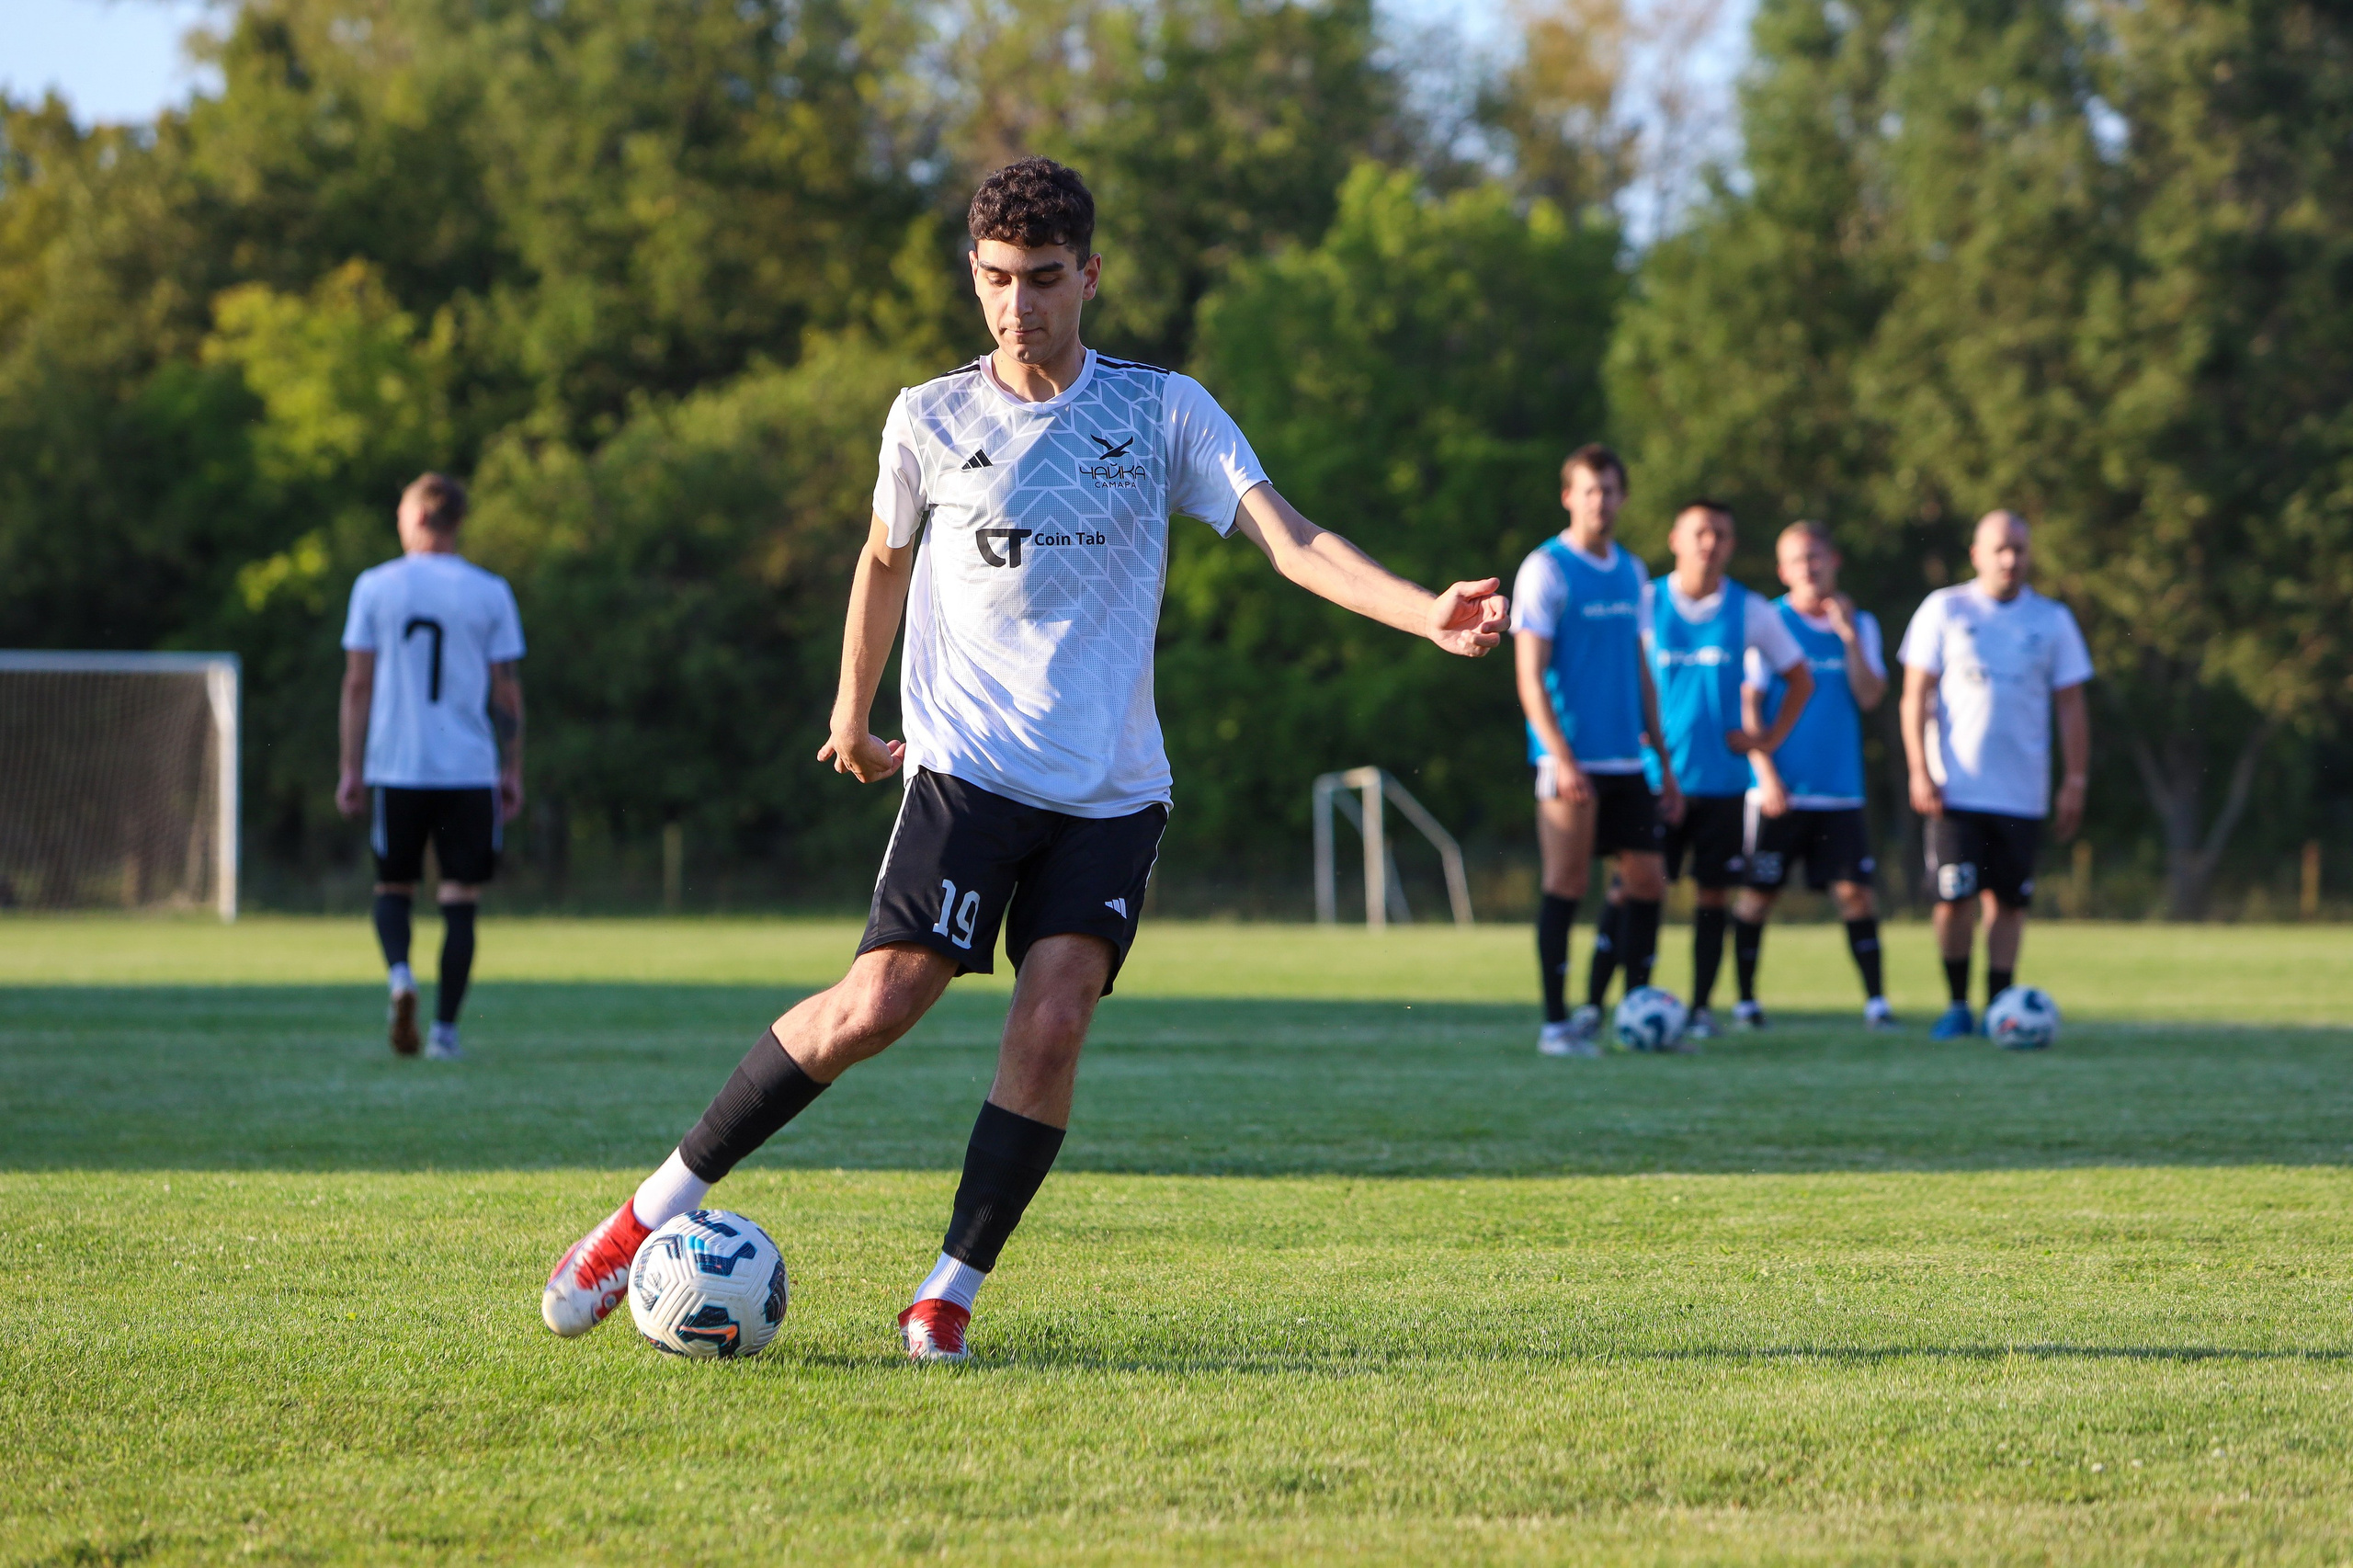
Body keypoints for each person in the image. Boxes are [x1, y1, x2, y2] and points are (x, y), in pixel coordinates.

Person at [540, 158, 1508, 1362]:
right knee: (878, 1004)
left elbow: (1291, 536)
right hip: (966, 771)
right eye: (996, 279)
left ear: (1088, 276)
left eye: (1043, 279)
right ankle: (642, 1217)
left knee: (1052, 1023)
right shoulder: (930, 417)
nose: (1018, 305)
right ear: (974, 275)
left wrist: (1425, 613)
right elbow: (884, 557)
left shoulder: (1162, 410)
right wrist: (851, 711)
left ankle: (945, 1293)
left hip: (1112, 792)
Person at [335, 472, 526, 1062]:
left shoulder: (375, 585)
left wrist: (349, 766)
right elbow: (507, 692)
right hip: (468, 767)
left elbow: (358, 682)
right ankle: (444, 1033)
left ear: (418, 518)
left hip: (398, 766)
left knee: (393, 886)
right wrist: (512, 767)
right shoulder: (490, 590)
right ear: (457, 521)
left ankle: (400, 977)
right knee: (459, 897)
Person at [1897, 509, 2092, 1039]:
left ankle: (1999, 1004)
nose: (2010, 559)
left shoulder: (2052, 620)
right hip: (1954, 787)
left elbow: (2071, 705)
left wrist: (2075, 780)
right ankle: (1957, 1003)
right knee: (1953, 896)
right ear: (1977, 554)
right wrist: (1919, 767)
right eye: (2000, 548)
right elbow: (1915, 694)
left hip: (2021, 791)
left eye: (2020, 549)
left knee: (2007, 902)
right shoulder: (1945, 609)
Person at [1513, 445, 1679, 1058]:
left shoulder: (1633, 571)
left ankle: (1635, 1012)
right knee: (1568, 881)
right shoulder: (1546, 568)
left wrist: (1662, 758)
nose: (1600, 502)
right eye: (1589, 491)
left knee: (1648, 881)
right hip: (1569, 759)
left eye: (1610, 490)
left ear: (1623, 497)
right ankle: (1556, 1026)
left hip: (1627, 759)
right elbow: (1530, 675)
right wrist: (1561, 756)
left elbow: (1640, 667)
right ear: (1568, 497)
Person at [1624, 502, 1812, 1040]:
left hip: (1725, 783)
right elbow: (1618, 669)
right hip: (1657, 781)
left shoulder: (1750, 610)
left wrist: (1767, 739)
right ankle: (1632, 999)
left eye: (1721, 534)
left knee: (1713, 898)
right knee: (1638, 891)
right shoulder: (1646, 603)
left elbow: (1801, 680)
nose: (1710, 542)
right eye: (1700, 531)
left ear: (1731, 545)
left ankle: (1703, 1009)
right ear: (1676, 538)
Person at [1732, 521, 1892, 1029]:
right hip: (1780, 791)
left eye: (1816, 557)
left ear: (1833, 560)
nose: (1808, 568)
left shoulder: (1860, 624)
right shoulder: (1769, 621)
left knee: (1855, 894)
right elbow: (1749, 705)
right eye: (1797, 560)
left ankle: (1876, 1004)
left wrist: (1846, 637)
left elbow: (1870, 696)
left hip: (1839, 790)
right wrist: (1765, 773)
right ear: (1783, 569)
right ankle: (1746, 1002)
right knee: (1758, 896)